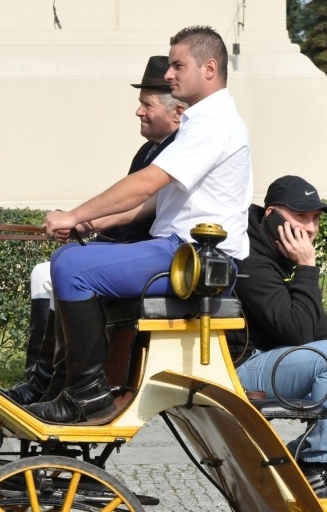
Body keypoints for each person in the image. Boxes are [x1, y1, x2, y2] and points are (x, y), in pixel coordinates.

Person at [26, 25, 253, 423]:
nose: (169, 74)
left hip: (197, 263)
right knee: (71, 258)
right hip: (183, 253)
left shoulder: (214, 124)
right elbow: (149, 205)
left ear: (210, 68)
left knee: (70, 268)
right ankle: (60, 387)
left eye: (177, 65)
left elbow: (146, 183)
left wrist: (75, 214)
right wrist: (88, 224)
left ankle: (85, 395)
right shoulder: (202, 123)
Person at [1, 55, 185, 406]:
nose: (138, 112)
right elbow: (131, 208)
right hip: (130, 248)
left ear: (176, 112)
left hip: (150, 254)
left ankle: (72, 389)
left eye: (146, 104)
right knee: (46, 273)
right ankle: (45, 382)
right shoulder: (150, 149)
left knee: (58, 269)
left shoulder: (179, 150)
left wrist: (78, 220)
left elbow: (138, 204)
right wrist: (82, 225)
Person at [232, 175, 327, 495]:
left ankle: (294, 454)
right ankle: (316, 465)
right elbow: (298, 331)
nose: (312, 228)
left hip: (267, 360)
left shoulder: (270, 253)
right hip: (239, 370)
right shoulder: (250, 260)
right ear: (271, 215)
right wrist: (306, 266)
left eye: (315, 218)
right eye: (301, 217)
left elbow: (317, 331)